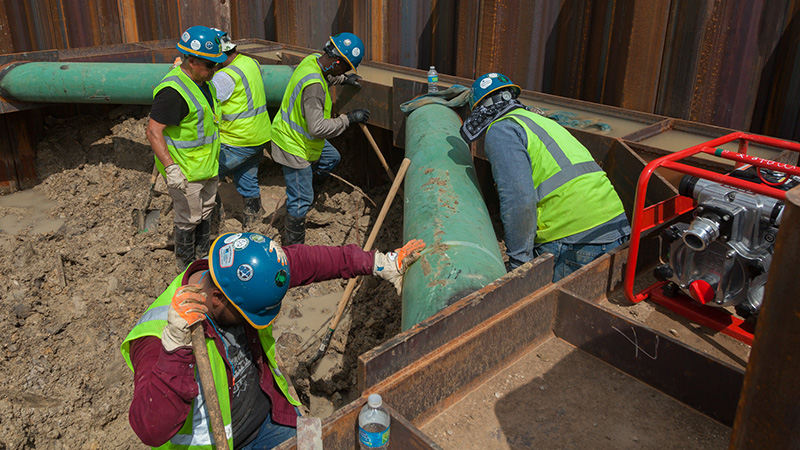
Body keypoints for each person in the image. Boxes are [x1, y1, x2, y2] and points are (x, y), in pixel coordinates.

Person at [120, 232, 426, 449]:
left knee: (314, 443)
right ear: (216, 300)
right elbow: (150, 430)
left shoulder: (239, 271)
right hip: (221, 443)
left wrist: (378, 262)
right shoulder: (158, 336)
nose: (251, 324)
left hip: (272, 415)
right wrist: (175, 349)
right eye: (247, 316)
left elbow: (306, 261)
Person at [460, 73, 630, 282]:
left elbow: (518, 201)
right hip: (617, 228)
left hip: (576, 239)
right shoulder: (540, 121)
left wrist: (520, 264)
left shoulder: (502, 130)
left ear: (479, 110)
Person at [270, 32, 371, 245]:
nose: (344, 71)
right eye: (345, 68)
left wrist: (344, 79)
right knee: (300, 199)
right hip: (293, 144)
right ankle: (294, 249)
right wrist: (348, 119)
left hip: (299, 136)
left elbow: (328, 74)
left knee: (330, 158)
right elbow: (317, 128)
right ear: (336, 61)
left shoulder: (312, 61)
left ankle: (308, 199)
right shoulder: (314, 86)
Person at [146, 25, 226, 270]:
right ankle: (185, 267)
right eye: (210, 65)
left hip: (207, 166)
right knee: (187, 220)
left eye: (216, 65)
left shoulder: (203, 82)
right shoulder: (173, 92)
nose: (215, 70)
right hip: (186, 172)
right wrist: (171, 169)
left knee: (205, 212)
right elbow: (153, 131)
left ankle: (201, 260)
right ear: (191, 61)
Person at [210, 30, 272, 228]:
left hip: (236, 141)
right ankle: (253, 227)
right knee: (248, 182)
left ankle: (214, 225)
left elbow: (202, 100)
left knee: (206, 177)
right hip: (258, 137)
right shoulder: (250, 62)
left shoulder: (225, 76)